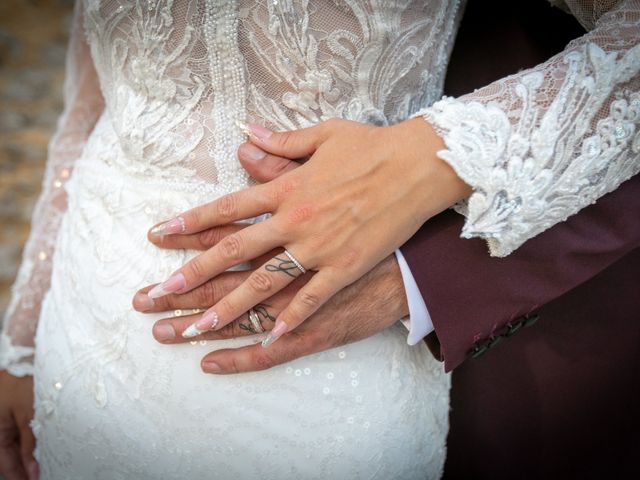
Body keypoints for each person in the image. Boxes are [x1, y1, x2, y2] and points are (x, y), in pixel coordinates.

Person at [0, 1, 638, 480]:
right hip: (85, 326)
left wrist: (434, 157)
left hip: (322, 374)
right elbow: (90, 108)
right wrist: (21, 345)